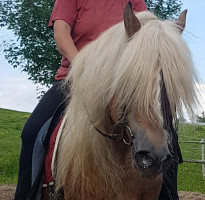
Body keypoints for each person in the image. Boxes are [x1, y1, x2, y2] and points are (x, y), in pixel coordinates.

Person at [14, 0, 147, 199]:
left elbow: (146, 34)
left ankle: (167, 193)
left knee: (164, 135)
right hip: (74, 77)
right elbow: (61, 33)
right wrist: (84, 68)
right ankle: (27, 194)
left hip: (120, 83)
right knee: (32, 133)